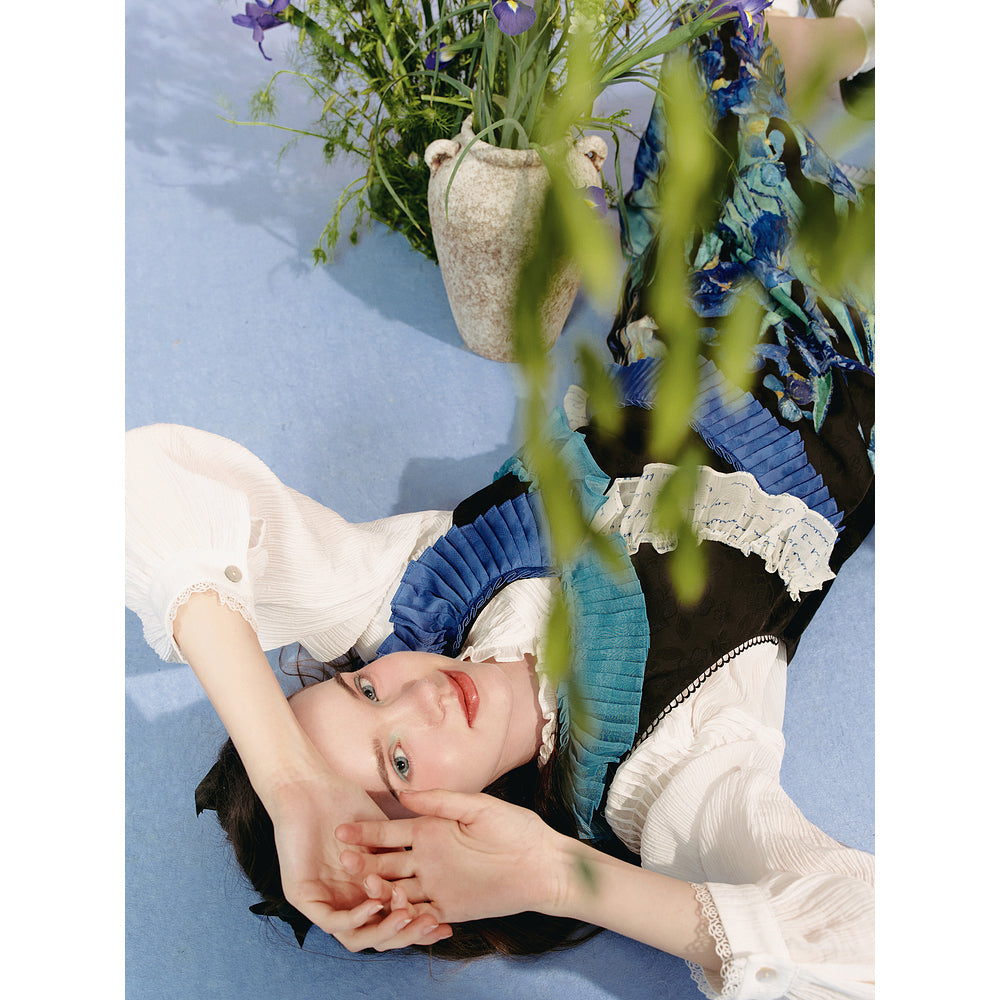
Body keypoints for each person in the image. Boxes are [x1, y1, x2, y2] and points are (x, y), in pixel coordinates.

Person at [125, 3, 875, 998]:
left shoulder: (413, 605)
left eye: (363, 690)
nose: (415, 696)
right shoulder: (667, 772)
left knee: (714, 43)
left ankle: (842, 53)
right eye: (400, 763)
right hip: (860, 362)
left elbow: (134, 484)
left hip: (692, 298)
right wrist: (555, 875)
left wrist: (292, 783)